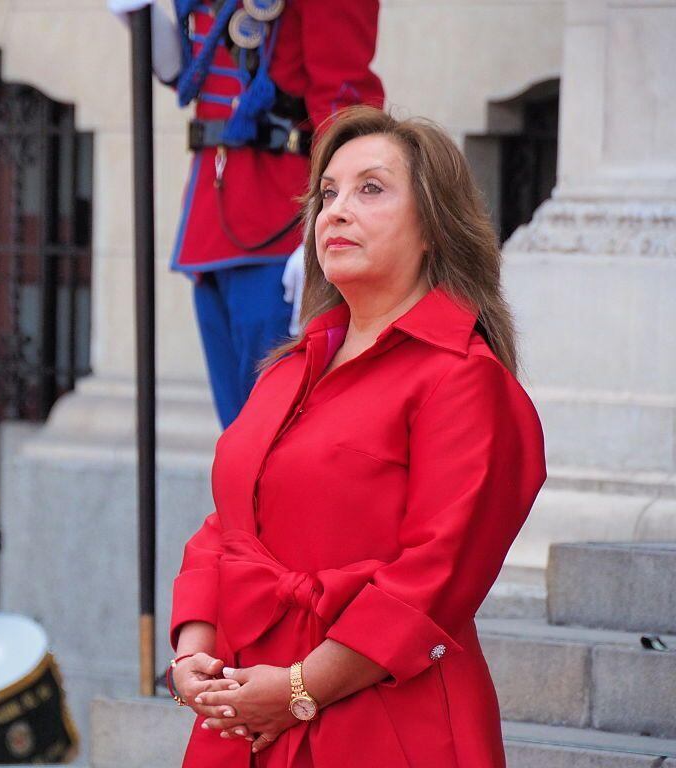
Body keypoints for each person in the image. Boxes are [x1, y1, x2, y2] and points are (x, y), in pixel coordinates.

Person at [167, 106, 548, 767]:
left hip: (386, 716)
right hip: (244, 707)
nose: (336, 211)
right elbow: (227, 525)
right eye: (328, 193)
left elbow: (436, 575)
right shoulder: (288, 368)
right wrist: (193, 652)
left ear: (434, 227)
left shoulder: (464, 377)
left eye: (370, 189)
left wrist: (299, 689)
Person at [167, 0, 384, 428]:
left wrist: (325, 226)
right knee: (239, 435)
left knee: (282, 431)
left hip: (283, 228)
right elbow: (196, 70)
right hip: (214, 223)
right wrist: (144, 24)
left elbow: (346, 109)